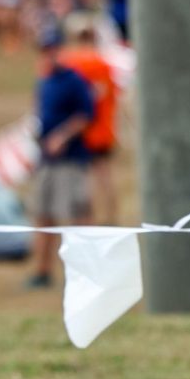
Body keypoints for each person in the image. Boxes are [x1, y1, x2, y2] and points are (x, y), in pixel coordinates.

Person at [27, 27, 95, 289]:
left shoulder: (75, 81)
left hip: (71, 160)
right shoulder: (43, 82)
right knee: (43, 215)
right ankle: (43, 271)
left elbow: (85, 115)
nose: (48, 55)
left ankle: (85, 271)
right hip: (47, 160)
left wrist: (62, 137)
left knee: (76, 216)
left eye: (51, 50)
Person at [58, 13, 119, 225]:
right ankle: (111, 217)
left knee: (84, 180)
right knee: (104, 176)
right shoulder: (104, 63)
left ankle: (89, 219)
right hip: (104, 128)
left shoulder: (72, 63)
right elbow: (112, 95)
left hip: (83, 129)